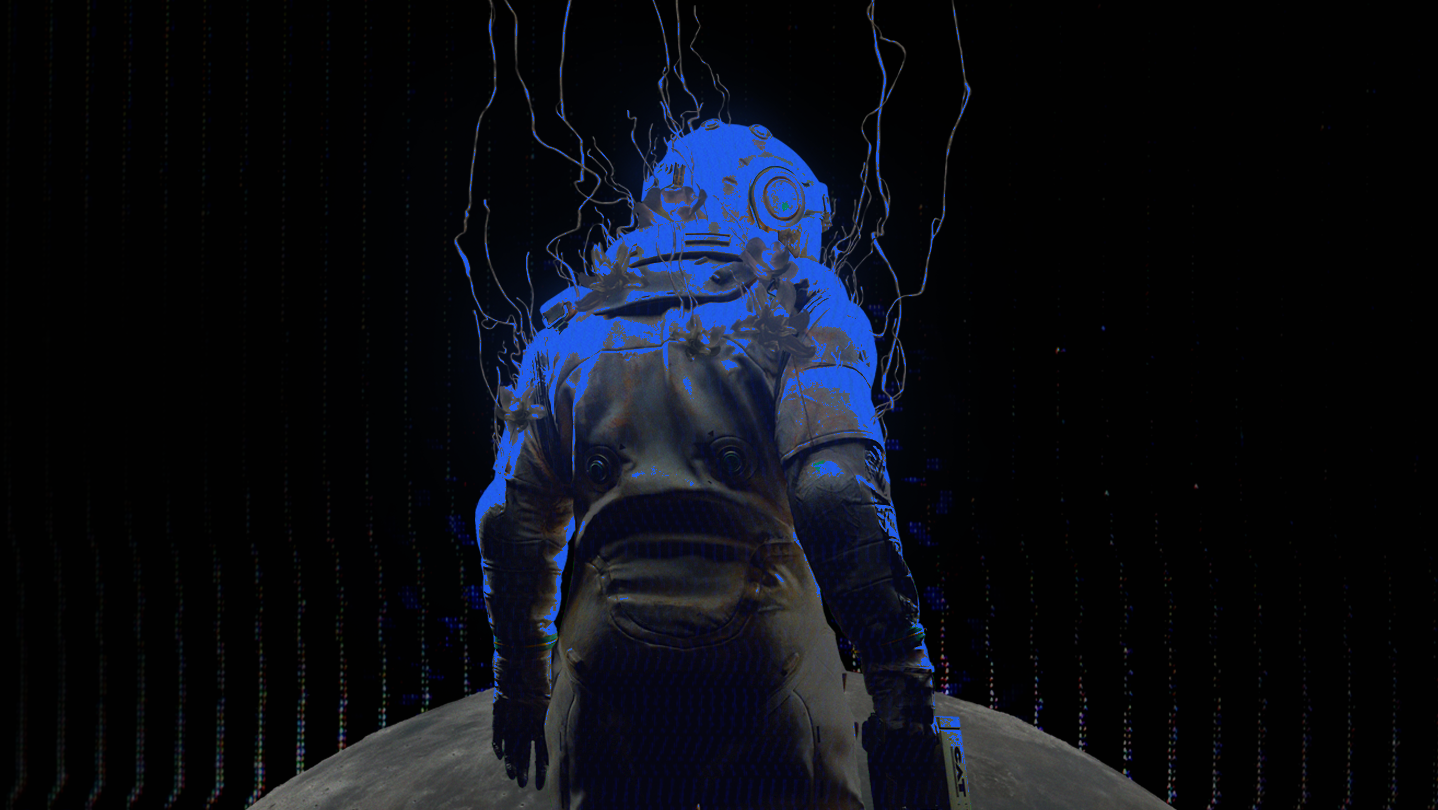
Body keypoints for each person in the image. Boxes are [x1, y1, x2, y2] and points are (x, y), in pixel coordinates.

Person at [477, 120, 936, 809]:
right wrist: (899, 674)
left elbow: (509, 523)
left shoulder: (565, 331)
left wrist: (519, 682)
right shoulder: (802, 302)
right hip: (768, 664)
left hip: (603, 671)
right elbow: (834, 489)